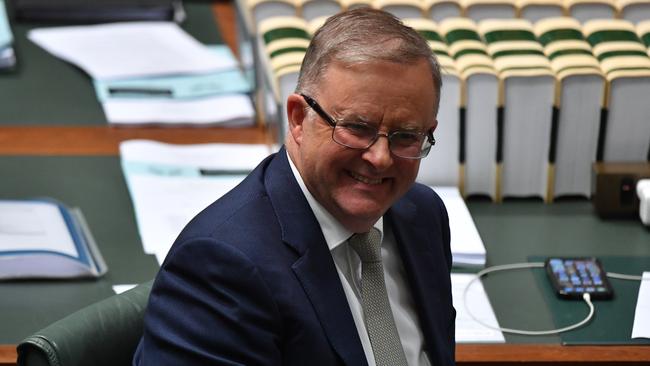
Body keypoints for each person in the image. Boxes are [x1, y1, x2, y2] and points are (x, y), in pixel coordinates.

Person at [133, 8, 455, 366]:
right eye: (358, 128)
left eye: (406, 136)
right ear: (299, 119)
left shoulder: (422, 215)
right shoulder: (221, 267)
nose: (380, 158)